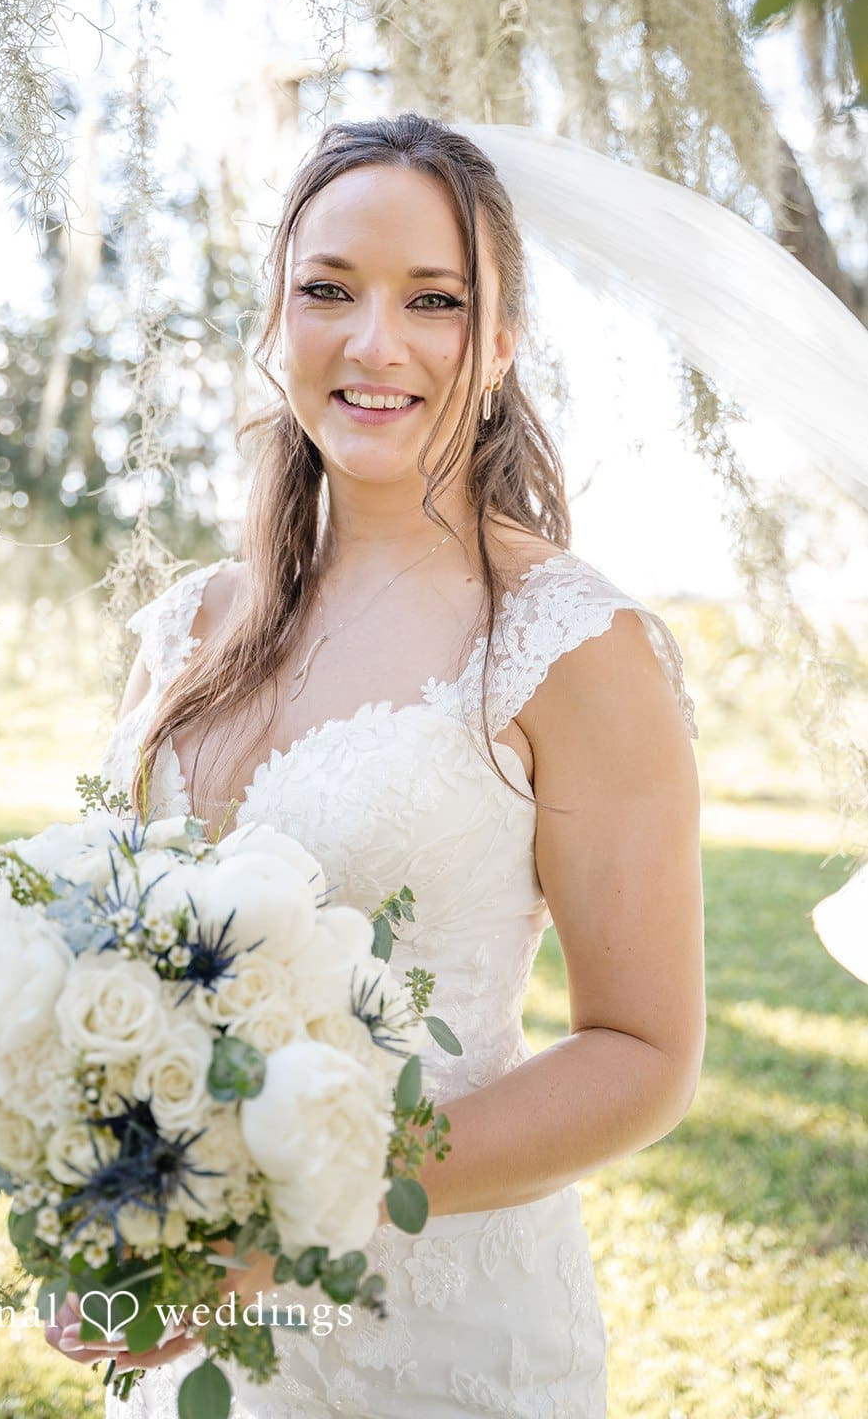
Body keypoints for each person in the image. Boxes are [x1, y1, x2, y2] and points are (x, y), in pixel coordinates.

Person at [45, 111, 705, 1416]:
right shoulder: (186, 627)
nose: (374, 343)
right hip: (187, 1323)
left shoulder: (572, 645)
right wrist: (107, 1189)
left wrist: (304, 1204)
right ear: (276, 317)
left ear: (501, 342)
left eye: (434, 300)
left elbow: (641, 1054)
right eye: (329, 290)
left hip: (434, 1341)